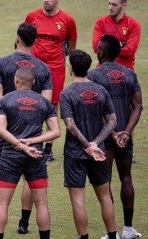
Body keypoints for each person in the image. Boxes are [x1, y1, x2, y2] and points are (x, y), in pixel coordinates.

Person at [0, 23, 52, 235]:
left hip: (7, 130)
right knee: (31, 178)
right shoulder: (43, 67)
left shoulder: (3, 63)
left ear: (17, 38)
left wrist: (13, 104)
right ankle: (23, 223)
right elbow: (47, 101)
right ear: (35, 41)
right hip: (35, 133)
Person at [0, 67, 60, 239]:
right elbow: (55, 131)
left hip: (10, 155)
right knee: (42, 204)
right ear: (34, 82)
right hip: (35, 156)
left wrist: (21, 144)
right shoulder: (44, 103)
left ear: (15, 80)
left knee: (2, 204)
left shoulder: (5, 100)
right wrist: (32, 142)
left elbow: (1, 130)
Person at [88, 35, 143, 239]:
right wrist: (126, 132)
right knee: (126, 177)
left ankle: (111, 233)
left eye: (98, 48)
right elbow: (138, 105)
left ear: (101, 52)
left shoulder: (94, 76)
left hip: (104, 136)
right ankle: (128, 229)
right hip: (124, 136)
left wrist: (112, 132)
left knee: (105, 182)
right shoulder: (129, 73)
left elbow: (95, 108)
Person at [60, 49, 118, 239]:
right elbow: (112, 121)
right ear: (89, 68)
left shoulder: (67, 93)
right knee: (104, 197)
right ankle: (112, 235)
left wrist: (87, 145)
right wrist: (96, 144)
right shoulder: (101, 91)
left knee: (78, 200)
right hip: (99, 152)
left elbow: (70, 125)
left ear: (71, 69)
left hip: (75, 153)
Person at [25, 0, 77, 161]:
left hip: (55, 70)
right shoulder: (32, 17)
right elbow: (23, 39)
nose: (46, 1)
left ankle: (48, 148)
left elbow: (71, 47)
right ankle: (31, 140)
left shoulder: (67, 20)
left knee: (52, 106)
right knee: (30, 103)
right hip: (33, 68)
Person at [92, 0, 141, 70]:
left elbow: (130, 51)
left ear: (123, 5)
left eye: (114, 5)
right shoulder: (100, 22)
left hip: (125, 71)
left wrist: (105, 46)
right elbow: (96, 48)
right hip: (103, 70)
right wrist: (120, 44)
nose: (110, 8)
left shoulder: (134, 25)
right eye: (109, 4)